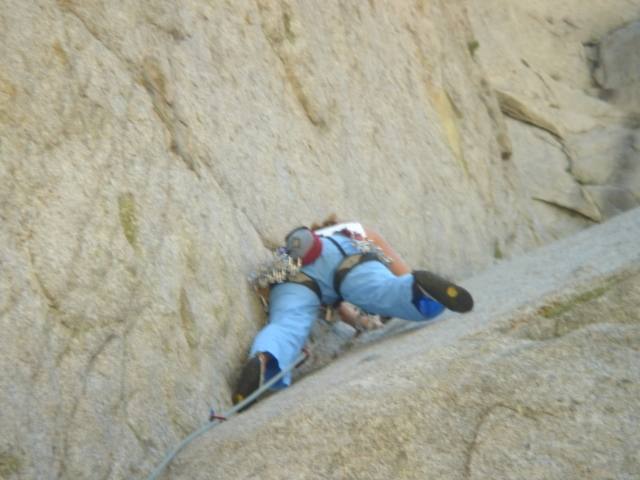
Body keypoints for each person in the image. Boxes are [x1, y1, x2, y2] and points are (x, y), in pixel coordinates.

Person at [233, 220, 473, 406]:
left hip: (290, 273)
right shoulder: (350, 229)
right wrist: (408, 278)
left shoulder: (296, 250)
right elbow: (385, 257)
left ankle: (264, 357)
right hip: (346, 255)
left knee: (286, 325)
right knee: (386, 290)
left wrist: (358, 322)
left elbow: (336, 304)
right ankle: (418, 291)